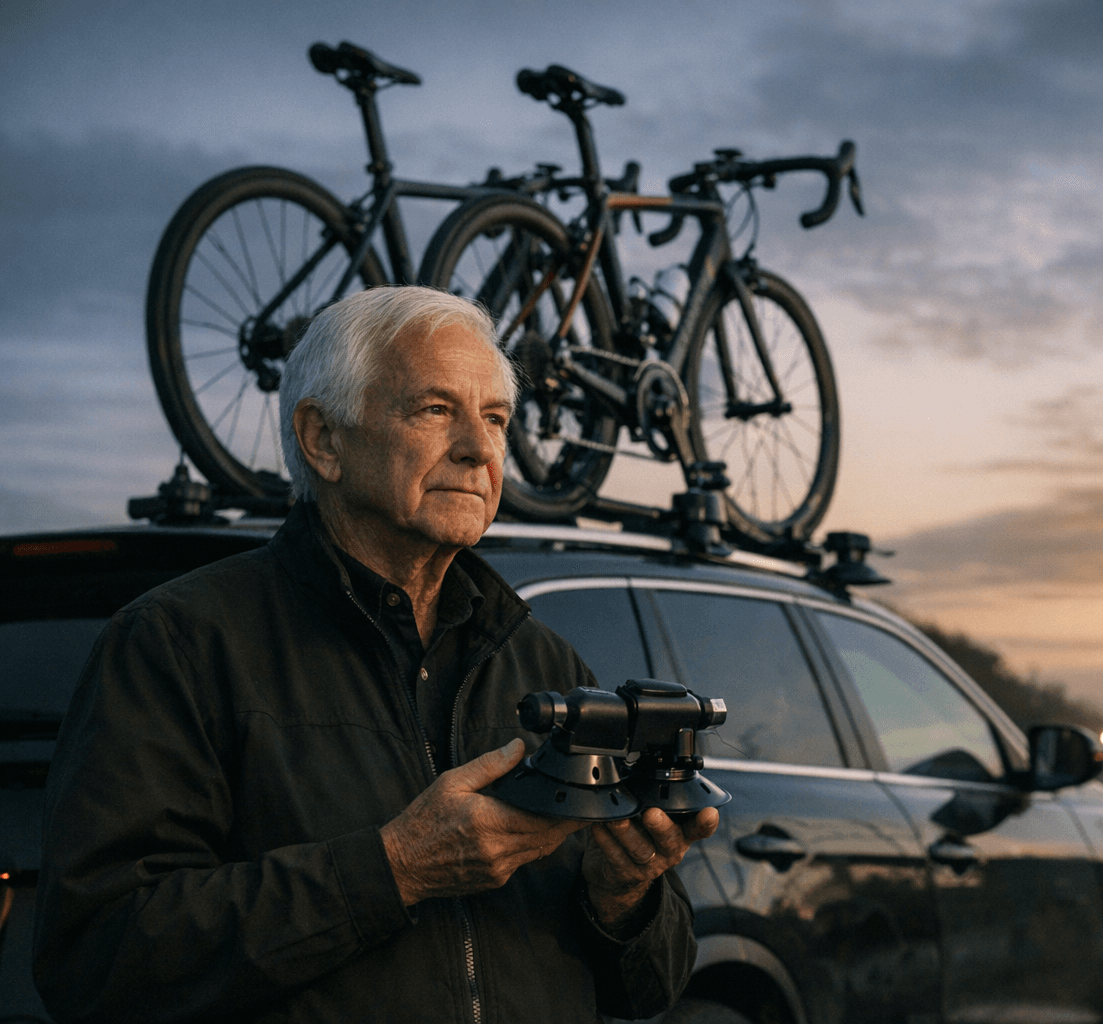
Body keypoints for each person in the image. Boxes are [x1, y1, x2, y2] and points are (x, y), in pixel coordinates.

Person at [34, 286, 717, 1023]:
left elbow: (652, 991)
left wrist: (625, 899)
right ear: (323, 440)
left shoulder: (546, 665)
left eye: (495, 419)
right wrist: (393, 870)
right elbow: (95, 961)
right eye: (434, 410)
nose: (480, 449)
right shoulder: (180, 643)